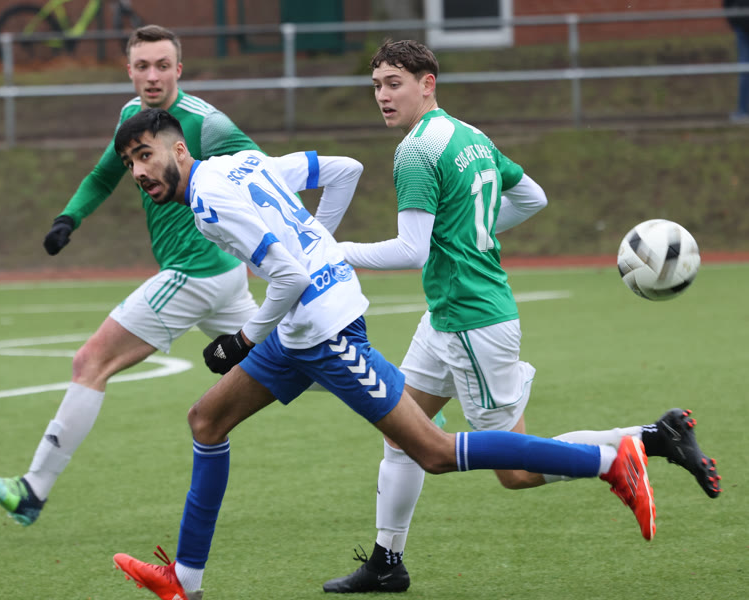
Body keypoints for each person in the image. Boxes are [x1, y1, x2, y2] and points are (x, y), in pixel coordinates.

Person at [107, 107, 656, 600]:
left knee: (433, 451)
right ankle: (185, 581)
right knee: (206, 421)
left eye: (146, 155)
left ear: (180, 149)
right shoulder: (240, 163)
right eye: (130, 163)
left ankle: (610, 462)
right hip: (298, 329)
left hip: (327, 332)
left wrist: (243, 339)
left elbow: (289, 276)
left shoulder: (209, 204)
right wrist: (318, 245)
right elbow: (343, 169)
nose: (138, 172)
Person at [321, 39, 722, 594]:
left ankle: (651, 438)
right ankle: (387, 562)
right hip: (449, 317)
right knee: (401, 431)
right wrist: (469, 233)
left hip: (472, 322)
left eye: (394, 83)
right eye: (376, 86)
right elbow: (533, 197)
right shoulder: (470, 136)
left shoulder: (415, 152)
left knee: (517, 471)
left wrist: (334, 251)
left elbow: (411, 250)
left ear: (427, 84)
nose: (383, 96)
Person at [0, 25, 266, 526]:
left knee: (91, 362)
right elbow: (104, 175)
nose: (153, 76)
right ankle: (394, 400)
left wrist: (260, 233)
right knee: (284, 360)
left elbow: (264, 171)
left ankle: (32, 490)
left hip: (195, 272)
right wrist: (69, 218)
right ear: (129, 70)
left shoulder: (206, 123)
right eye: (143, 66)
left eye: (163, 66)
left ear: (179, 69)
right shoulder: (133, 116)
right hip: (223, 276)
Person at [725, 0, 749, 121]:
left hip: (741, 25)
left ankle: (743, 110)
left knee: (744, 70)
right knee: (744, 71)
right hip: (742, 28)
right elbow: (727, 4)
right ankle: (743, 110)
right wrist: (735, 23)